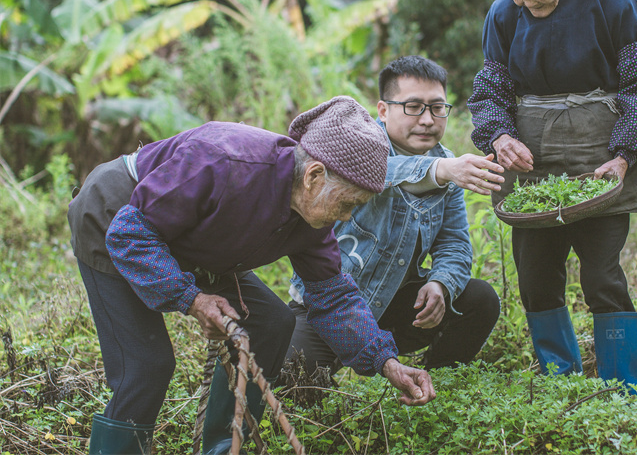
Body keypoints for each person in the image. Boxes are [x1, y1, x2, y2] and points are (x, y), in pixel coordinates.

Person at [67, 96, 436, 455]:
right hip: (115, 219)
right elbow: (130, 233)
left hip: (193, 240)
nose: (345, 219)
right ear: (314, 175)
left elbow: (334, 296)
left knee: (272, 323)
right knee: (147, 366)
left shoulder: (311, 218)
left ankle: (225, 447)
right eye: (347, 204)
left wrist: (386, 362)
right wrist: (193, 299)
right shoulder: (224, 162)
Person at [468, 0, 637, 392]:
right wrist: (500, 136)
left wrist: (625, 156)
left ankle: (622, 388)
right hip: (532, 164)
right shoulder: (502, 15)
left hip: (601, 157)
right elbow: (490, 89)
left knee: (602, 276)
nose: (526, 4)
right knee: (536, 277)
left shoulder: (617, 2)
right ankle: (561, 382)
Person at [284, 56, 503, 379]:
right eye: (414, 107)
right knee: (295, 380)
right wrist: (439, 171)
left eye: (437, 107)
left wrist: (441, 285)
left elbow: (455, 244)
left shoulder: (447, 166)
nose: (428, 120)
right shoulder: (360, 143)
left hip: (394, 302)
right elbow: (382, 173)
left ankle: (437, 385)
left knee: (480, 299)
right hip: (329, 305)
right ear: (383, 111)